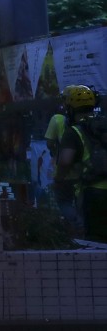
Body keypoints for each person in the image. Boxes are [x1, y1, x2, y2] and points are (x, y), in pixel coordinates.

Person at [55, 84, 107, 241]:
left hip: (92, 193)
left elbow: (65, 161)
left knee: (95, 242)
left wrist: (59, 179)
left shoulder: (74, 131)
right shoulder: (104, 126)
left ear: (70, 109)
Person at [45, 106, 80, 227]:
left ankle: (76, 227)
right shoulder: (90, 122)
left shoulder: (57, 120)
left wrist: (56, 153)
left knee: (64, 202)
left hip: (64, 175)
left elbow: (49, 143)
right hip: (87, 174)